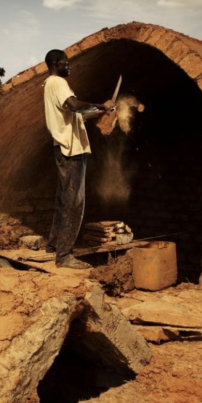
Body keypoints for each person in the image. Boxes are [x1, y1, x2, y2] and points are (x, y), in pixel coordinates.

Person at [44, 50, 114, 269]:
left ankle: (54, 244)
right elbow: (74, 105)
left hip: (64, 148)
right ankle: (64, 256)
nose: (70, 66)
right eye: (66, 63)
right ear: (56, 63)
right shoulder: (58, 83)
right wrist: (100, 105)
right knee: (75, 202)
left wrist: (98, 110)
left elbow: (74, 114)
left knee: (64, 198)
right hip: (71, 150)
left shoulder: (51, 85)